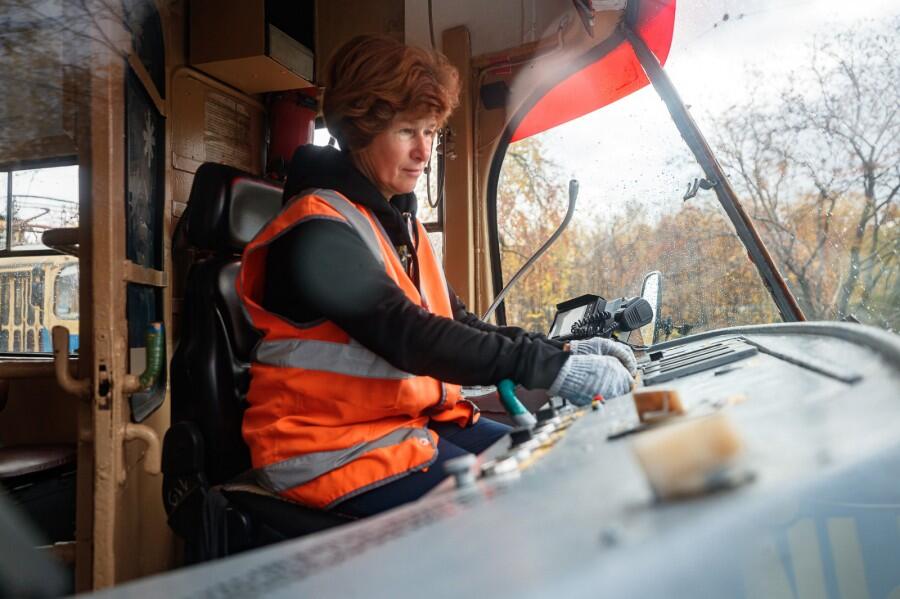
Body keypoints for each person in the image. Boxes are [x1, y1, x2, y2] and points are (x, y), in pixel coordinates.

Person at [236, 35, 636, 518]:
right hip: (329, 451)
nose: (424, 152)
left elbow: (458, 320)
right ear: (360, 130)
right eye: (408, 131)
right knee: (522, 509)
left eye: (431, 131)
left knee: (553, 468)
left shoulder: (399, 223)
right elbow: (409, 335)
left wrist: (564, 353)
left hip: (405, 428)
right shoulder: (316, 229)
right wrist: (549, 370)